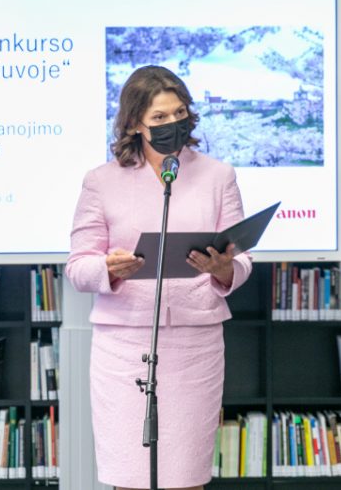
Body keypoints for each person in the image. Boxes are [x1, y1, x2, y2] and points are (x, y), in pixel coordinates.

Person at [66, 65, 253, 490]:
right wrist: (109, 270)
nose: (173, 124)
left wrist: (224, 269)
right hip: (124, 344)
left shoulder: (218, 175)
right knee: (129, 478)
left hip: (195, 344)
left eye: (180, 113)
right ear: (134, 123)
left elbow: (242, 258)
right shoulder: (101, 182)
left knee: (186, 478)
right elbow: (78, 266)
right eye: (160, 118)